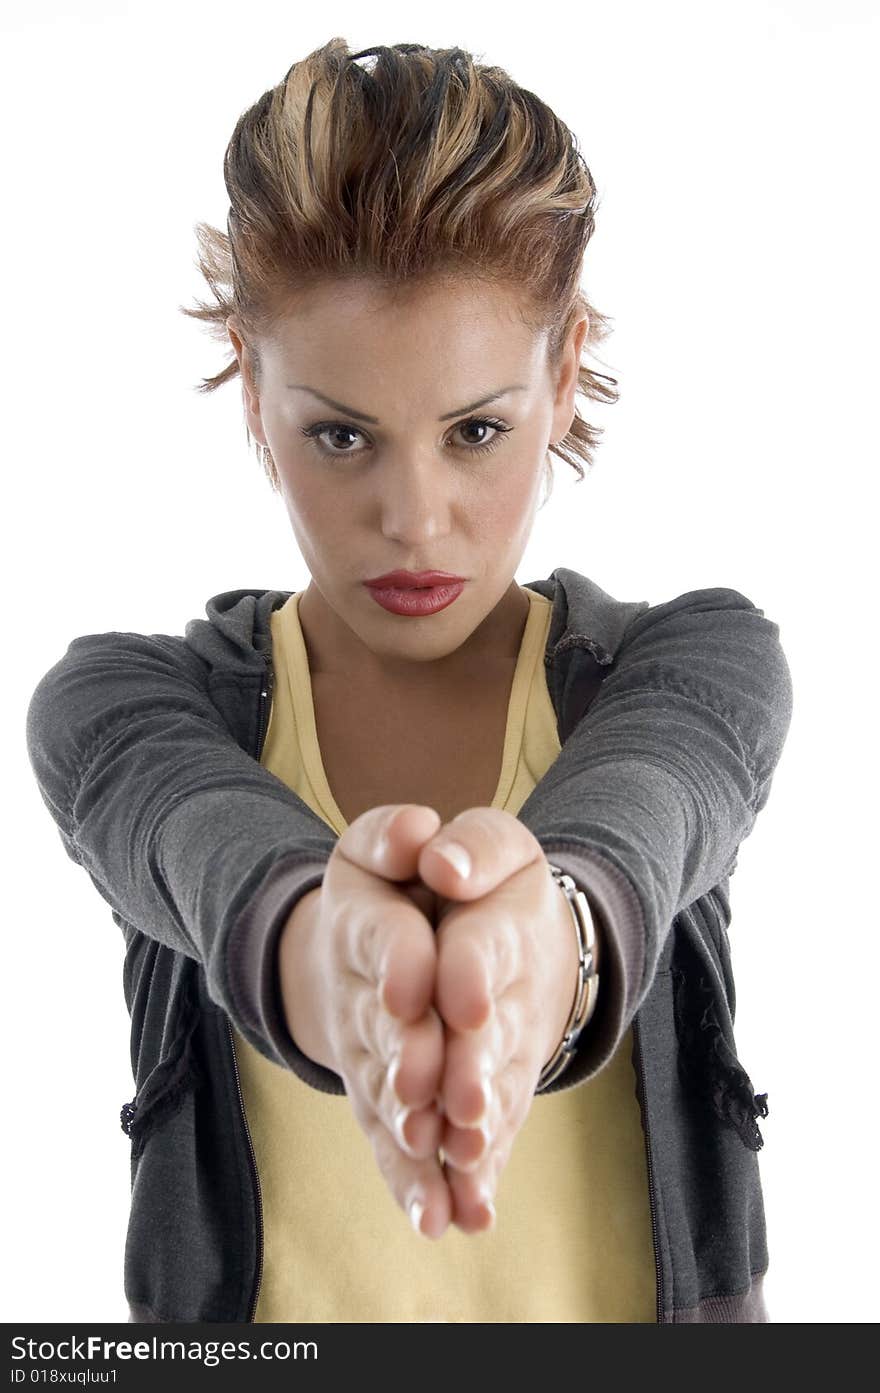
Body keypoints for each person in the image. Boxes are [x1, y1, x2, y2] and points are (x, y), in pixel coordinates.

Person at [24, 39, 793, 1323]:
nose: (414, 521)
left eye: (476, 431)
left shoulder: (696, 667)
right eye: (340, 435)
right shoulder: (122, 707)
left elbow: (654, 802)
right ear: (249, 385)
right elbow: (198, 841)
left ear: (562, 371)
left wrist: (555, 942)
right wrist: (325, 960)